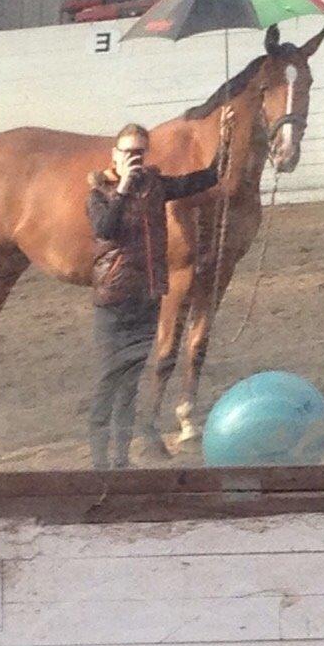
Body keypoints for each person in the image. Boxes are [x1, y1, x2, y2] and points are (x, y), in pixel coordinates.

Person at [85, 114, 232, 469]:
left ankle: (120, 458)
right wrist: (122, 190)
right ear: (114, 155)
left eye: (140, 152)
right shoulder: (99, 193)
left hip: (147, 297)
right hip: (113, 299)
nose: (135, 158)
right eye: (128, 152)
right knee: (111, 376)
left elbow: (206, 178)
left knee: (132, 380)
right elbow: (106, 229)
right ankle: (98, 458)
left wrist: (225, 141)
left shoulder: (155, 185)